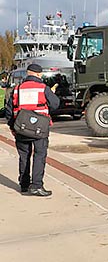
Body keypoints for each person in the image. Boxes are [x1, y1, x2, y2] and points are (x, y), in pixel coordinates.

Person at [5, 63, 60, 196]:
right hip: (39, 128)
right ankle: (36, 185)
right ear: (38, 74)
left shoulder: (17, 89)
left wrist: (13, 127)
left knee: (24, 156)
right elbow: (55, 104)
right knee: (39, 156)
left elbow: (8, 111)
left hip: (21, 128)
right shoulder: (43, 88)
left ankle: (24, 185)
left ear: (27, 74)